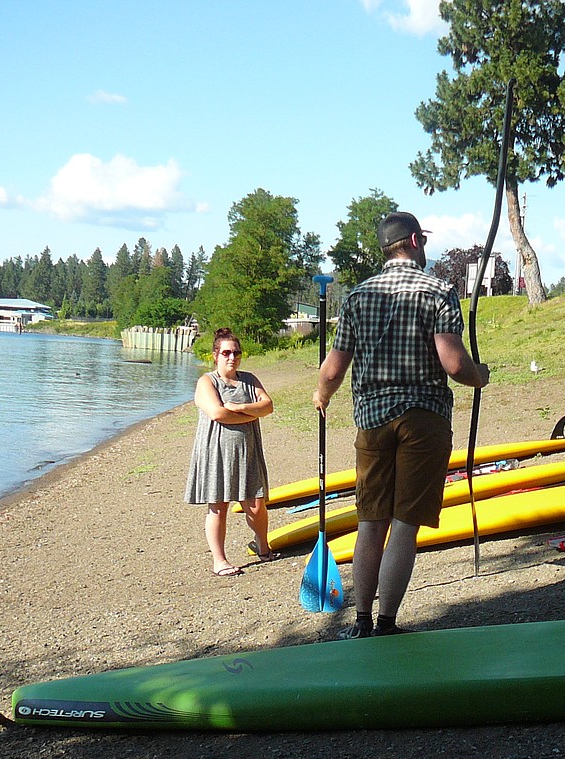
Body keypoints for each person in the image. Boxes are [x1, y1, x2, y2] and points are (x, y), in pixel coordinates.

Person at [314, 211, 490, 639]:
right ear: (414, 241)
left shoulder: (358, 297)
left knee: (371, 522)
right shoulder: (438, 291)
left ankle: (360, 623)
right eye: (423, 241)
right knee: (405, 524)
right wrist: (479, 375)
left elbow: (334, 369)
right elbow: (454, 364)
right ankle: (387, 623)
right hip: (424, 420)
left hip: (373, 422)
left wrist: (322, 395)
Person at [185, 328, 275, 576]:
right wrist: (249, 414)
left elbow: (267, 406)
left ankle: (262, 546)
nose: (231, 357)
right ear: (215, 355)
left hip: (248, 451)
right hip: (216, 453)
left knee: (256, 504)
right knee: (219, 506)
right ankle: (219, 560)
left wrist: (241, 406)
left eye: (236, 352)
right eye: (226, 352)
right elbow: (217, 413)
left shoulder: (250, 379)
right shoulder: (207, 381)